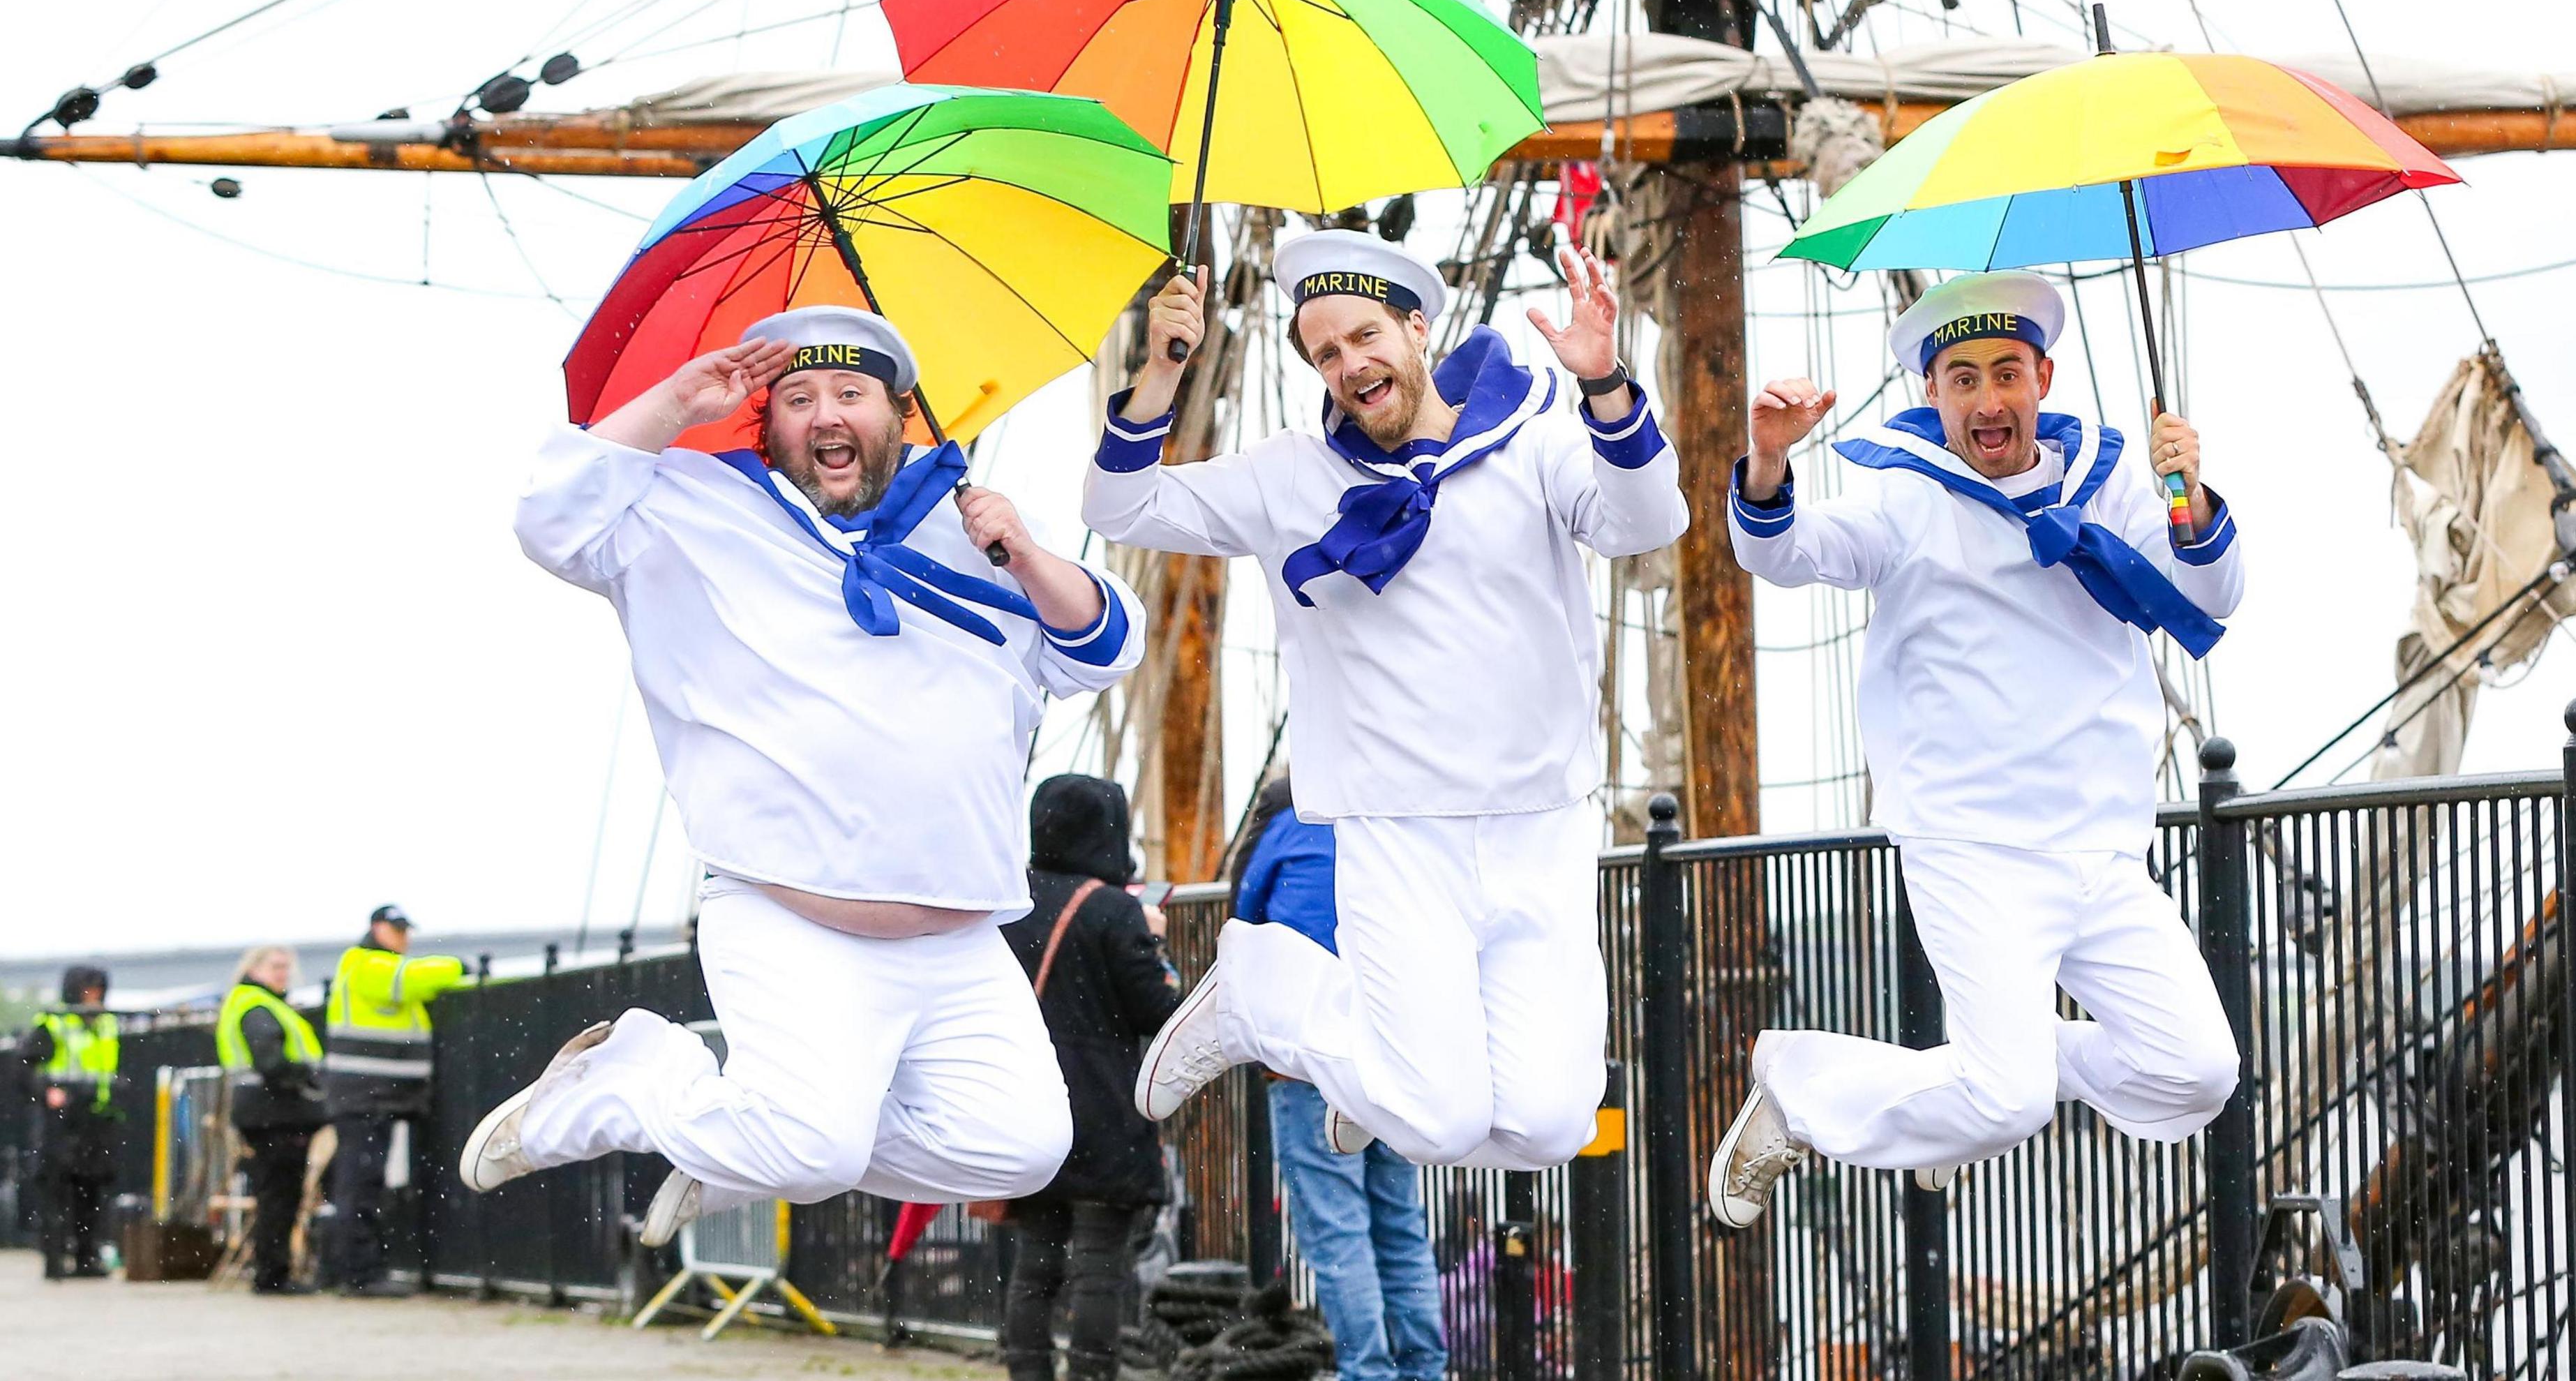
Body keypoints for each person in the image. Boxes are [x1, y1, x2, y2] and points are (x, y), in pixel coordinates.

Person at [467, 306, 1143, 1252]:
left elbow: (1103, 650)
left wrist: (1026, 551)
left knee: (1021, 1147)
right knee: (812, 1147)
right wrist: (673, 403)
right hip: (793, 915)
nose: (827, 416)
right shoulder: (694, 505)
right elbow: (550, 517)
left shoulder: (966, 526)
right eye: (798, 397)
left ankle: (739, 1144)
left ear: (901, 410)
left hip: (958, 929)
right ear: (767, 421)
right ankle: (633, 1081)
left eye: (851, 393)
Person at [1093, 234, 1685, 1171]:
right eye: (1325, 353)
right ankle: (1264, 992)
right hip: (1396, 833)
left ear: (1417, 327)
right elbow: (1119, 508)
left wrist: (1607, 383)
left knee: (1547, 1126)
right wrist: (1161, 373)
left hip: (1540, 826)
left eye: (1364, 335)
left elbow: (1651, 520)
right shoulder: (1289, 475)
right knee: (1441, 1124)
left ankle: (1368, 1075)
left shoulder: (1535, 439)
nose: (1349, 364)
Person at [1707, 271, 2246, 1225]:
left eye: (2007, 372)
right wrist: (1766, 462)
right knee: (2009, 1099)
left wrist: (2188, 493)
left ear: (2044, 375)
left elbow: (2205, 600)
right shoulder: (1902, 495)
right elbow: (1785, 552)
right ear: (1935, 395)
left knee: (2197, 1071)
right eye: (1963, 378)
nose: (1988, 399)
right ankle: (1805, 1085)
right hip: (1970, 843)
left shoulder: (2119, 478)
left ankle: (1952, 1099)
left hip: (2102, 844)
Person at [1231, 775, 1448, 1381]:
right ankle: (1425, 1368)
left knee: (1338, 1232)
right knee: (1400, 1225)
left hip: (1308, 1059)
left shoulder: (1287, 826)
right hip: (1393, 1054)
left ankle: (1368, 1372)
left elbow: (1242, 926)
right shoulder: (1389, 825)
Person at [996, 775, 1179, 1381]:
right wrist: (1153, 943)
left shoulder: (1010, 901)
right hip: (1102, 1111)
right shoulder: (1113, 908)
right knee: (1099, 1266)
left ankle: (1028, 1374)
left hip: (1029, 1103)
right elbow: (1157, 1010)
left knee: (1034, 1265)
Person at [322, 904, 468, 1296]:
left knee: (362, 1184)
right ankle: (360, 1274)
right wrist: (459, 967)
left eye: (406, 930)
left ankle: (355, 1270)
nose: (404, 938)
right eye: (397, 929)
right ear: (376, 929)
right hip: (365, 1095)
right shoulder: (364, 963)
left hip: (378, 1096)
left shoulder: (369, 966)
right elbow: (415, 979)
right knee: (360, 1186)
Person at [216, 944, 327, 1294]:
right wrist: (305, 1076)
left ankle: (272, 1271)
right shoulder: (257, 1006)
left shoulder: (255, 1003)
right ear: (256, 968)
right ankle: (272, 1275)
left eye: (287, 968)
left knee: (275, 1194)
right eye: (276, 967)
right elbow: (270, 1061)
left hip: (265, 1113)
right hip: (274, 1113)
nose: (283, 974)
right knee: (279, 1196)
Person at [18, 966, 120, 1281]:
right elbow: (24, 1069)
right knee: (56, 1191)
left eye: (98, 990)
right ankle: (54, 1259)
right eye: (87, 990)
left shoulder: (107, 1023)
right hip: (60, 1122)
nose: (94, 996)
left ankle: (87, 1257)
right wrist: (47, 1092)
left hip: (96, 1118)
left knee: (90, 1191)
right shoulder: (52, 1022)